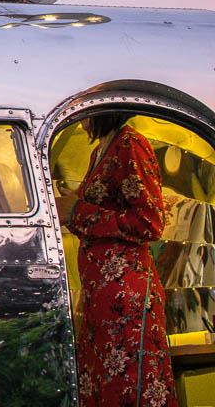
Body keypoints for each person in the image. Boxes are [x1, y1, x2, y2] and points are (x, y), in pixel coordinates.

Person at [63, 112, 177, 407]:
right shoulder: (100, 151)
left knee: (126, 382)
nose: (80, 119)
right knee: (103, 380)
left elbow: (149, 222)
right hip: (100, 291)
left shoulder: (131, 145)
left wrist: (76, 211)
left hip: (124, 292)